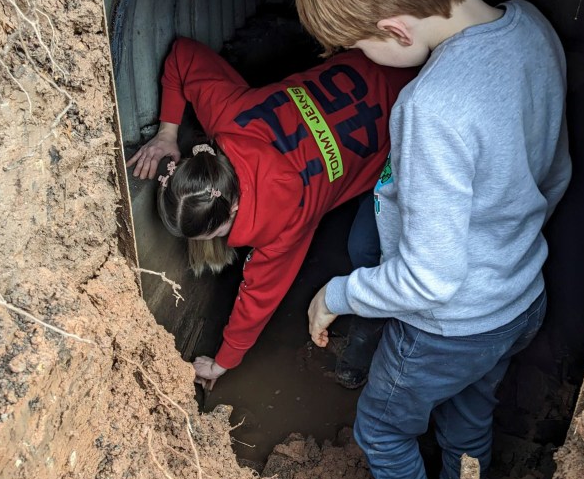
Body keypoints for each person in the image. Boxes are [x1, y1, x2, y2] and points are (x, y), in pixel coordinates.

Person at [296, 0, 571, 479]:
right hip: (519, 296)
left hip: (447, 326)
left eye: (362, 46)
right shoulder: (532, 27)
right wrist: (506, 250)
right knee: (468, 416)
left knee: (382, 429)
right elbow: (554, 175)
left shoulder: (431, 107)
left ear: (396, 29)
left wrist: (338, 293)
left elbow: (431, 280)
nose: (365, 60)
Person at [127, 36, 413, 389]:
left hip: (411, 106)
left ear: (232, 206)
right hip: (381, 54)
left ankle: (369, 346)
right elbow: (183, 56)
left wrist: (223, 362)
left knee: (366, 249)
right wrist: (167, 132)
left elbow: (259, 296)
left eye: (215, 234)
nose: (218, 241)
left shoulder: (284, 224)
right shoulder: (226, 113)